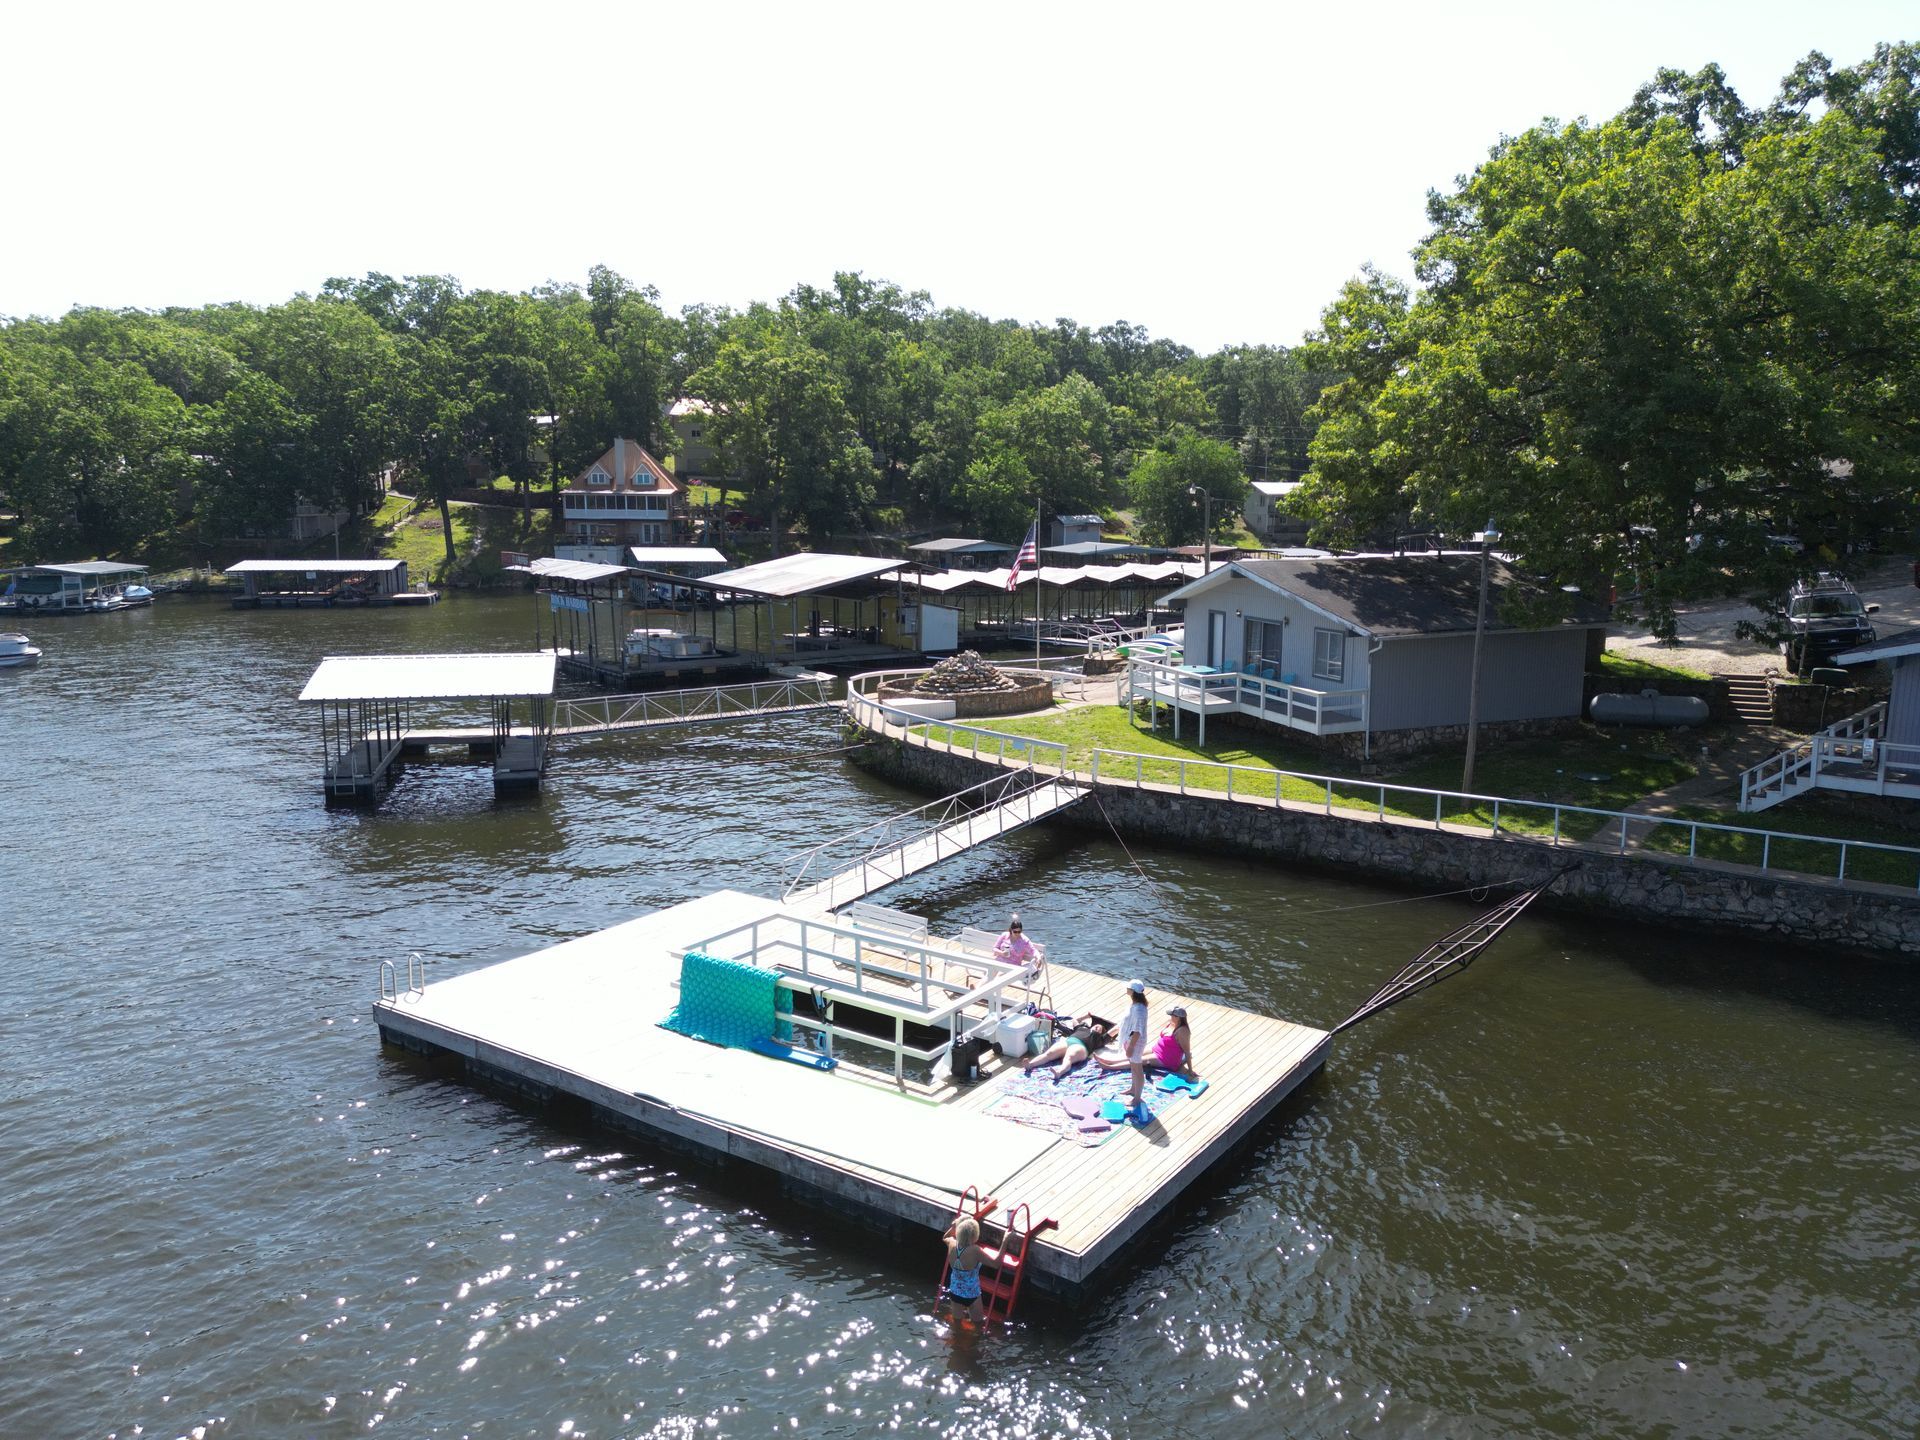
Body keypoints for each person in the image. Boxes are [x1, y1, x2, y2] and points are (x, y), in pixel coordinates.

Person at [1098, 1001, 1197, 1081]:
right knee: (1134, 1054)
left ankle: (1110, 1067)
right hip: (1157, 1050)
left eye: (1172, 1015)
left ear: (1178, 1018)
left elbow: (1187, 1052)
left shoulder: (1183, 1031)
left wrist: (1190, 1070)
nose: (1170, 1017)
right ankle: (1110, 1061)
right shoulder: (1171, 1023)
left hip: (1166, 1058)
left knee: (1137, 1061)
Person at [1021, 1012, 1117, 1081]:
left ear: (1102, 1032)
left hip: (1081, 1046)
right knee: (1049, 1054)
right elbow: (1074, 1021)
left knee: (1068, 1058)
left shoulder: (1100, 1039)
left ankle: (1059, 1072)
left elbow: (1114, 1030)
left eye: (1100, 1028)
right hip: (1068, 1041)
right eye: (1096, 1025)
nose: (1097, 1027)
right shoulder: (1082, 1028)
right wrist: (1085, 1016)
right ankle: (1030, 1065)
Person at [941, 1215, 986, 1324]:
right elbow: (996, 1264)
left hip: (955, 1291)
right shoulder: (976, 1250)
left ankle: (956, 1339)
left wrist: (952, 1228)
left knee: (956, 1324)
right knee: (978, 1325)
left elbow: (944, 1237)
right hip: (972, 1294)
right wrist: (1005, 1241)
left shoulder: (951, 1243)